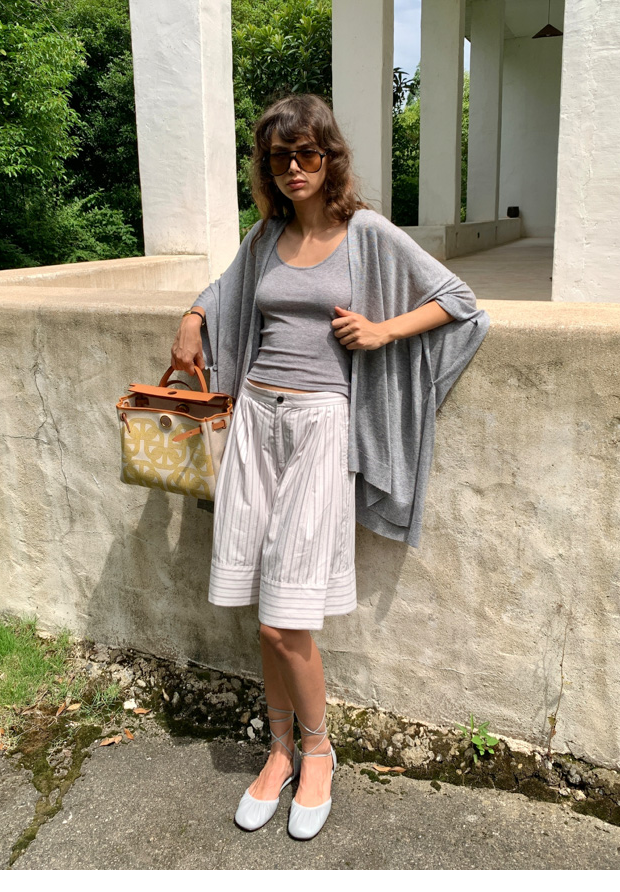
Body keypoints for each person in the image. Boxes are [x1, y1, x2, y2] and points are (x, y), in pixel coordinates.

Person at [171, 94, 489, 840]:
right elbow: (224, 291)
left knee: (285, 619)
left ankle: (318, 753)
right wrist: (192, 316)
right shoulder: (265, 235)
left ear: (330, 158)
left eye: (307, 153)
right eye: (279, 156)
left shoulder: (365, 233)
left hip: (320, 428)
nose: (294, 168)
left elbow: (458, 300)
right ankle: (278, 752)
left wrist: (383, 330)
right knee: (262, 609)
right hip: (254, 419)